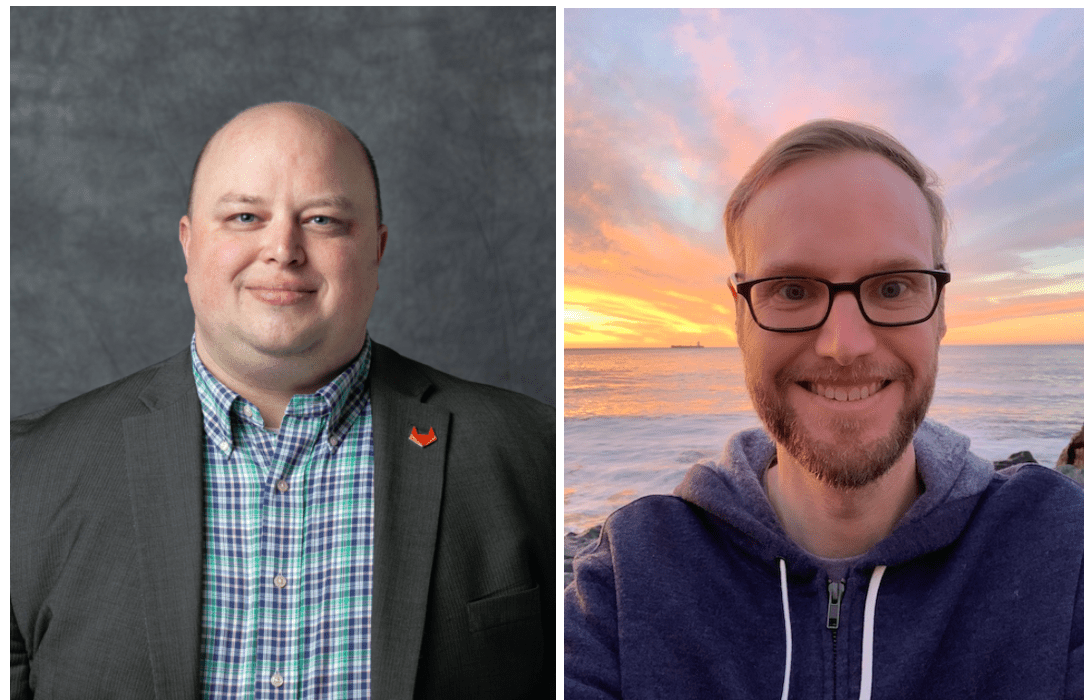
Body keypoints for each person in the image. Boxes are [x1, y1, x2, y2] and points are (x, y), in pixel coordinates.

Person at [12, 102, 554, 700]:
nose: (283, 249)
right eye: (245, 216)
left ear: (376, 251)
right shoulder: (25, 477)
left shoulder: (534, 453)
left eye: (322, 220)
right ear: (189, 246)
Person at [564, 119, 1083, 699]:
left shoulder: (1060, 550)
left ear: (939, 311)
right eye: (792, 289)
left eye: (892, 287)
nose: (845, 344)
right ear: (739, 315)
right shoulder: (629, 580)